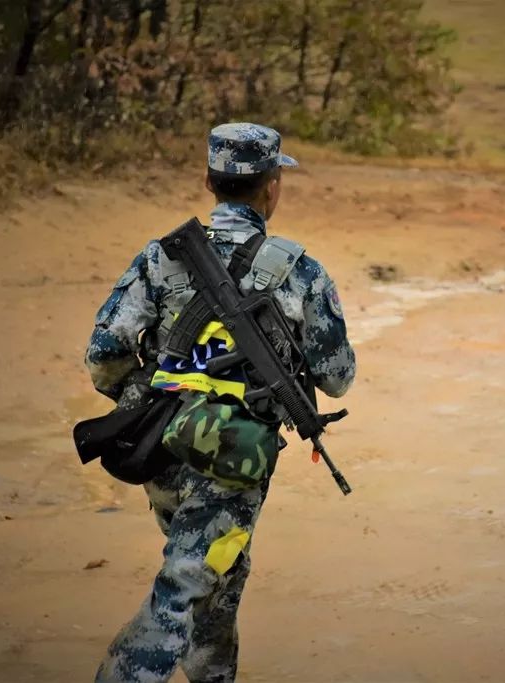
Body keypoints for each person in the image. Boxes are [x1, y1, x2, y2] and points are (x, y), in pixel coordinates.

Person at [84, 122, 356, 683]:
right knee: (187, 580)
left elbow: (103, 352)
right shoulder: (300, 271)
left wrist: (145, 398)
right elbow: (338, 378)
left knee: (218, 570)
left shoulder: (160, 257)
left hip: (161, 443)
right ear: (272, 186)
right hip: (234, 455)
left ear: (209, 180)